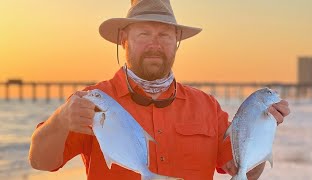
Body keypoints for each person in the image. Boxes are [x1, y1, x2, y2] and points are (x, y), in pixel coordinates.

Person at [29, 0, 290, 179]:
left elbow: (239, 168)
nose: (155, 44)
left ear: (176, 42)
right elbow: (40, 162)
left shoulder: (207, 107)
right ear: (124, 40)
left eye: (164, 34)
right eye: (144, 33)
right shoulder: (93, 101)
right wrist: (60, 120)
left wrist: (261, 128)